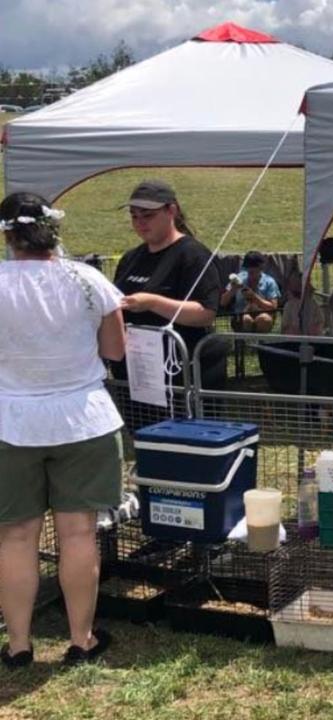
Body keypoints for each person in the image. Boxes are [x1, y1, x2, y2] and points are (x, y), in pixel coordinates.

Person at [0, 191, 126, 668]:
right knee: (78, 534)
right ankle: (81, 639)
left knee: (14, 537)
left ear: (8, 234)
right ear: (53, 229)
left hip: (11, 420)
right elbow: (114, 350)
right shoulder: (88, 279)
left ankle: (18, 645)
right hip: (83, 417)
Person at [111, 180, 226, 389]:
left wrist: (153, 303)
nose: (140, 223)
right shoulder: (131, 258)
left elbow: (206, 312)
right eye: (134, 216)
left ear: (171, 210)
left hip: (180, 372)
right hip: (138, 371)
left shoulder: (193, 255)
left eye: (148, 216)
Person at [220, 251, 280, 333]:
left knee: (263, 319)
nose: (250, 274)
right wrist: (233, 290)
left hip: (262, 315)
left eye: (253, 272)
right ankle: (244, 344)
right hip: (241, 315)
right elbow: (223, 302)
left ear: (261, 268)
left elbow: (273, 307)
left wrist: (254, 298)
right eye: (248, 270)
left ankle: (260, 343)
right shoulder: (239, 278)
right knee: (246, 320)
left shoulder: (269, 282)